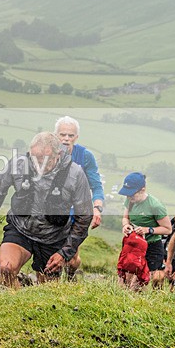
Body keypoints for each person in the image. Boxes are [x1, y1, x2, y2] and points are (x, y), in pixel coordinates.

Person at [0, 132, 93, 289]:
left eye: (44, 160)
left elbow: (84, 217)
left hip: (54, 236)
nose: (38, 165)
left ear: (58, 155)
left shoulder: (75, 174)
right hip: (21, 228)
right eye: (35, 159)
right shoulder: (18, 164)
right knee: (6, 269)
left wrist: (64, 253)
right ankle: (14, 305)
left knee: (47, 289)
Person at [54, 116, 104, 280]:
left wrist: (97, 208)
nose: (66, 139)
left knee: (72, 260)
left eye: (70, 135)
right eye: (62, 135)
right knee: (49, 253)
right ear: (55, 135)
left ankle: (69, 277)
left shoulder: (85, 156)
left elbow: (96, 186)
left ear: (76, 137)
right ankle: (49, 287)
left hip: (76, 213)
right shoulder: (47, 152)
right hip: (52, 212)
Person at [118, 172, 172, 288]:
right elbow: (125, 218)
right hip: (133, 244)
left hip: (151, 246)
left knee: (139, 284)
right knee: (124, 279)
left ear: (142, 190)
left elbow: (168, 229)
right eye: (127, 195)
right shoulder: (130, 201)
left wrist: (148, 230)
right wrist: (125, 226)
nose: (129, 198)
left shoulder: (155, 206)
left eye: (132, 195)